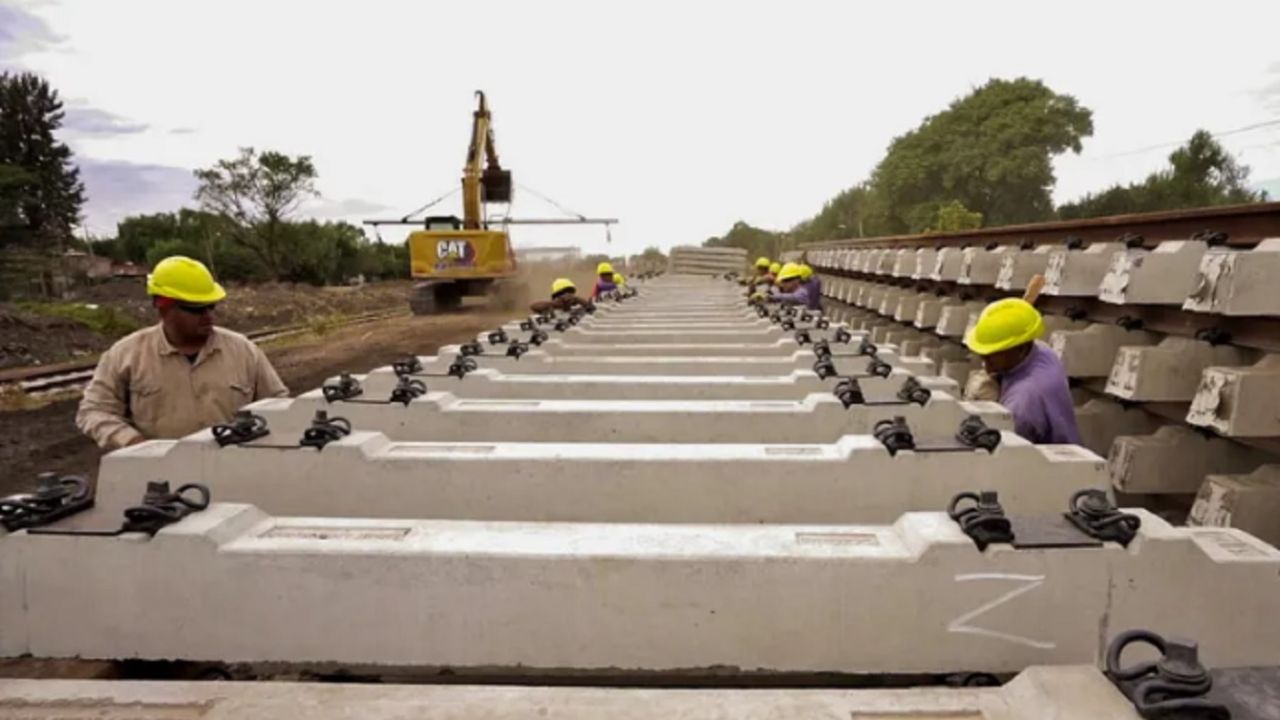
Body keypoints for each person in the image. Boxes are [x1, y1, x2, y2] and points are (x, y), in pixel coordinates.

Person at [76, 256, 289, 451]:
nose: (208, 316)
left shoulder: (243, 351)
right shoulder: (126, 355)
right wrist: (132, 442)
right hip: (162, 482)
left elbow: (279, 404)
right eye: (195, 309)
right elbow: (94, 411)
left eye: (210, 306)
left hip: (234, 470)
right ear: (163, 306)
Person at [963, 298, 1081, 445]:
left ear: (1020, 349)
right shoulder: (1040, 350)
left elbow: (1002, 457)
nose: (987, 368)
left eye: (991, 359)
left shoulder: (1022, 406)